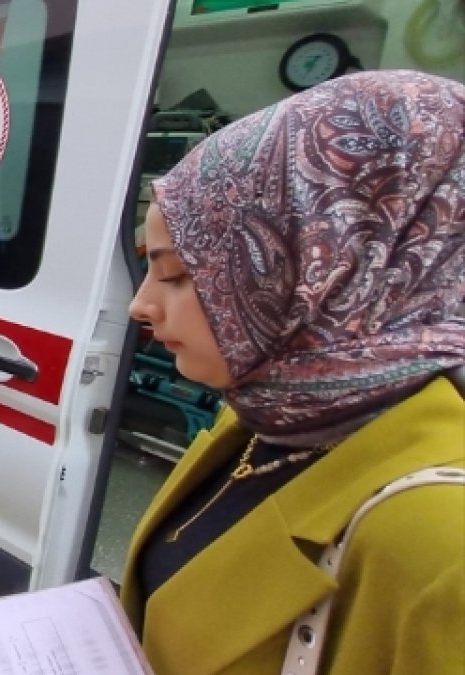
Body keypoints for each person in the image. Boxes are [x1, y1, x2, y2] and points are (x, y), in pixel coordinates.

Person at [123, 70, 465, 674]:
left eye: (176, 274)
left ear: (318, 266)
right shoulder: (272, 408)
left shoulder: (442, 536)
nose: (141, 304)